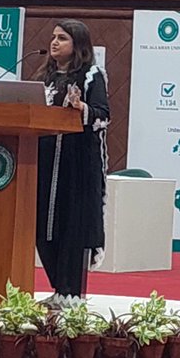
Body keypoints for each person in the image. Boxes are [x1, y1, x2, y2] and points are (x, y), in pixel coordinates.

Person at [28, 19, 109, 297]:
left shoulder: (91, 75)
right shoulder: (44, 77)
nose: (54, 42)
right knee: (43, 227)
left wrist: (81, 107)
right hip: (44, 162)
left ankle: (71, 292)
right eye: (53, 37)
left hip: (76, 166)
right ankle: (58, 288)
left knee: (72, 227)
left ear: (78, 44)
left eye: (62, 38)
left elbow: (103, 115)